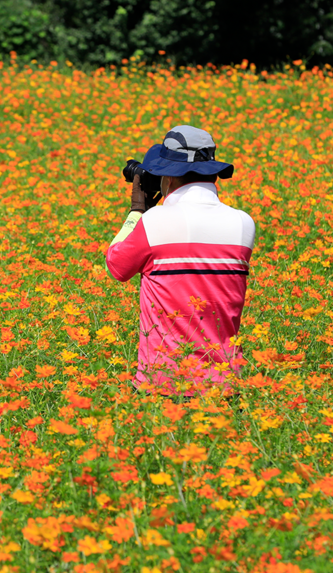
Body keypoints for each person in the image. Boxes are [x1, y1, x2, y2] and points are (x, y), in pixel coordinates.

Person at [105, 125, 256, 396]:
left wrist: (137, 211)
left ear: (169, 176)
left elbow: (117, 266)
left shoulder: (155, 221)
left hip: (163, 384)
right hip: (224, 385)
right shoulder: (243, 223)